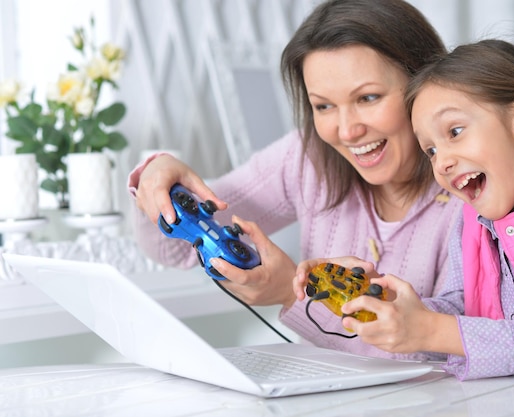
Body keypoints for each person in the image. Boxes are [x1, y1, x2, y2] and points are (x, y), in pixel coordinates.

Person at [128, 0, 462, 359]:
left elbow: (434, 355)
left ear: (425, 84)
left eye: (368, 98)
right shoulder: (309, 159)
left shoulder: (474, 188)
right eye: (323, 106)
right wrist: (158, 177)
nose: (347, 130)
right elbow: (173, 246)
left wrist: (291, 294)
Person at [294, 39, 514, 379]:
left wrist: (432, 330)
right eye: (431, 150)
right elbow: (461, 311)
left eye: (454, 131)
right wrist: (393, 304)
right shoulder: (472, 220)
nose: (442, 163)